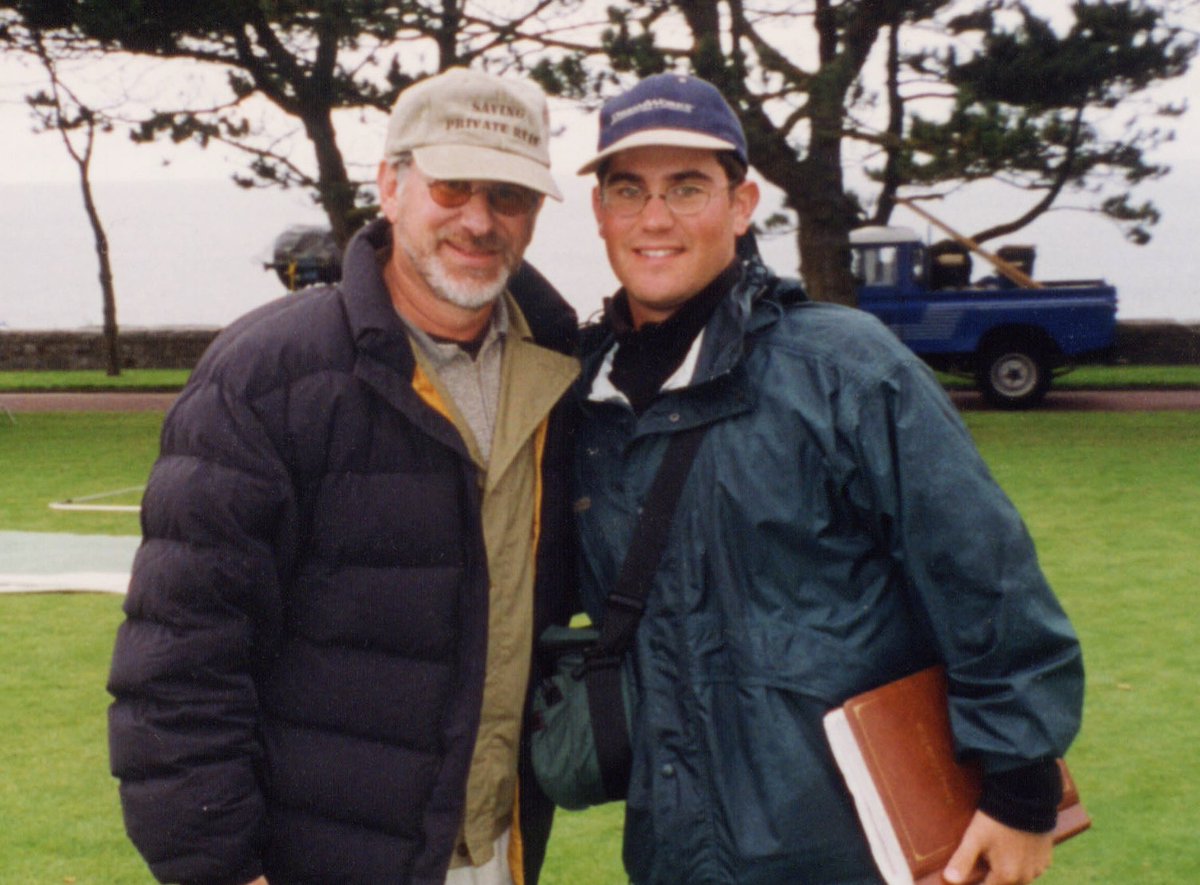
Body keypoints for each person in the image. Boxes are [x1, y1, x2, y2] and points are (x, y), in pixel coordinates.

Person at [571, 73, 1084, 885]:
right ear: (600, 212)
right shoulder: (582, 400)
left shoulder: (846, 366)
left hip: (852, 850)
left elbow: (983, 570)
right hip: (673, 852)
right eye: (628, 189)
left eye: (688, 187)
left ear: (742, 205)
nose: (654, 218)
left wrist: (1022, 791)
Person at [107, 67, 580, 885]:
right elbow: (178, 667)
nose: (479, 219)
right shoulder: (264, 375)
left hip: (496, 852)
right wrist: (222, 868)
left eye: (508, 194)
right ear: (390, 186)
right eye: (452, 186)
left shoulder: (564, 373)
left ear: (535, 212)